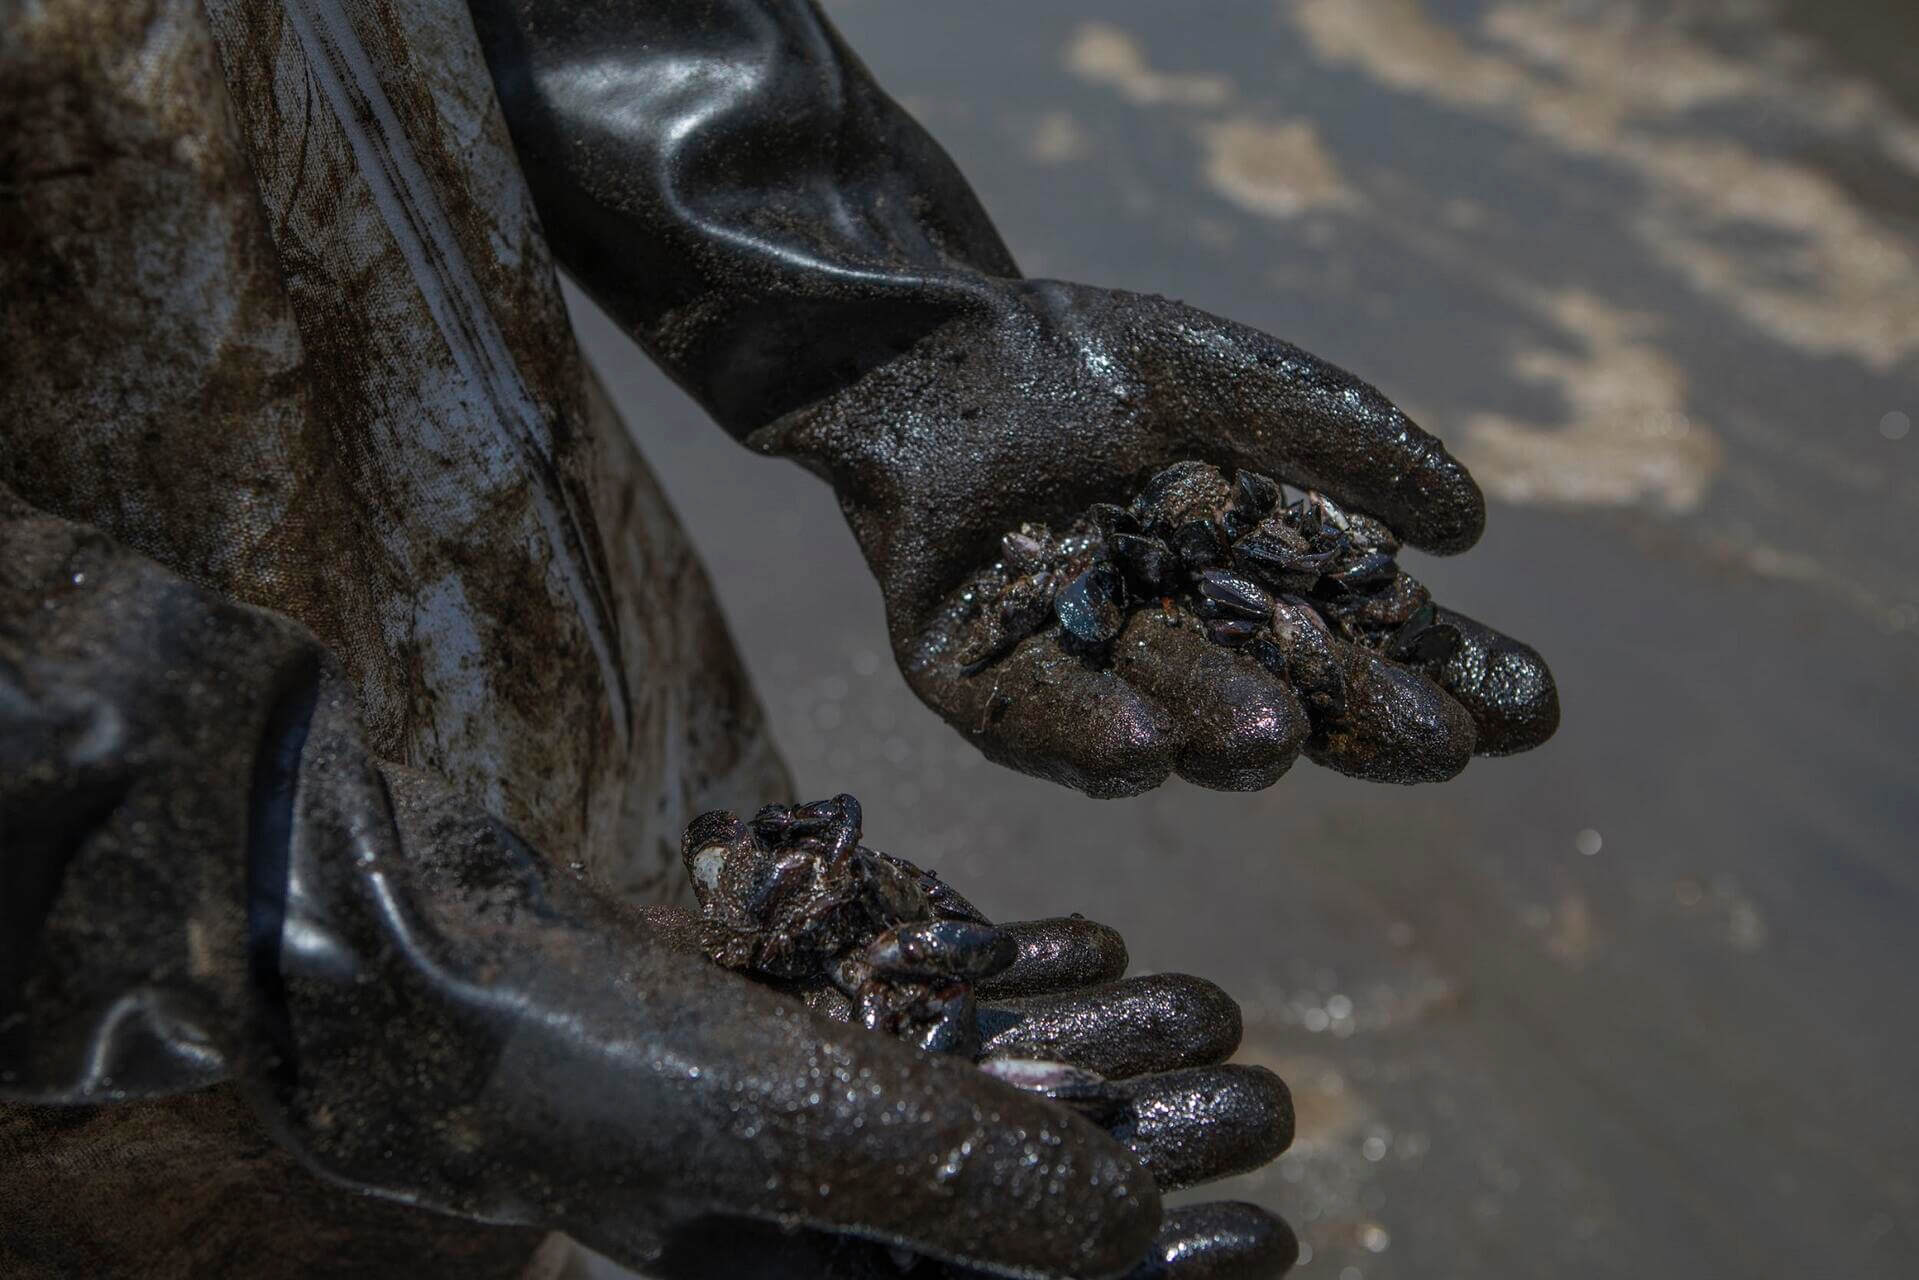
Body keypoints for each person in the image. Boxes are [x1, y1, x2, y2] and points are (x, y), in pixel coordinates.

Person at [0, 0, 1554, 1276]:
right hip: (98, 959)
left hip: (509, 616)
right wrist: (301, 923)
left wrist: (870, 308)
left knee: (670, 1104)